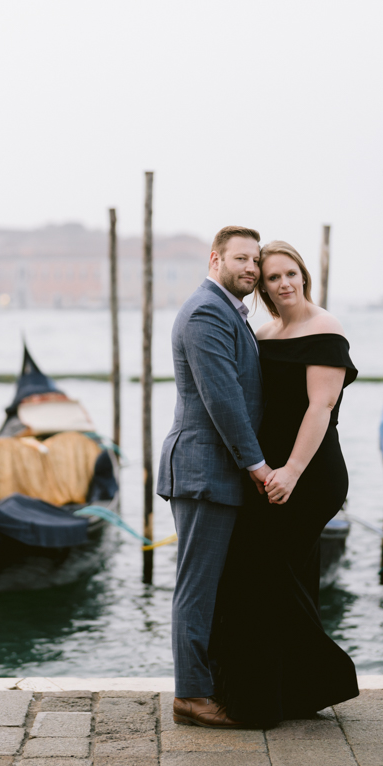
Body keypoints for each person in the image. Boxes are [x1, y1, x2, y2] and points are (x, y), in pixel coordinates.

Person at [207, 239, 359, 728]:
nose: (284, 283)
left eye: (290, 273)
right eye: (272, 277)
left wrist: (292, 470)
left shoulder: (325, 327)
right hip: (268, 475)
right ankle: (298, 691)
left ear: (304, 275)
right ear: (262, 286)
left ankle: (302, 685)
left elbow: (321, 407)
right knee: (285, 576)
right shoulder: (263, 332)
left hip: (309, 474)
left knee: (262, 574)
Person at [157, 226, 273, 729]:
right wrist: (258, 465)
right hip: (205, 471)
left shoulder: (228, 310)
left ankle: (207, 683)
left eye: (256, 260)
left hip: (213, 471)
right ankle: (191, 695)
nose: (251, 268)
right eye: (241, 259)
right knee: (197, 587)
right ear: (215, 259)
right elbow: (222, 398)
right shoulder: (207, 311)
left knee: (210, 586)